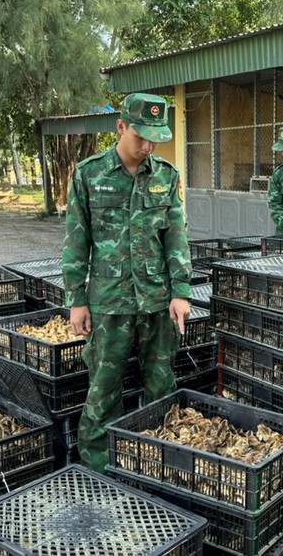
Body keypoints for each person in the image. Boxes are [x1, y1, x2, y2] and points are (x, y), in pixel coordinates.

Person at [62, 92, 192, 474]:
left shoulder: (166, 176)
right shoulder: (89, 174)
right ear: (120, 127)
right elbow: (76, 241)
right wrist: (76, 300)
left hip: (156, 299)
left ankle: (155, 461)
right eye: (141, 137)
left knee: (161, 386)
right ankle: (99, 468)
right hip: (108, 302)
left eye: (155, 139)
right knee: (103, 388)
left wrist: (181, 292)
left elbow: (176, 237)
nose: (148, 146)